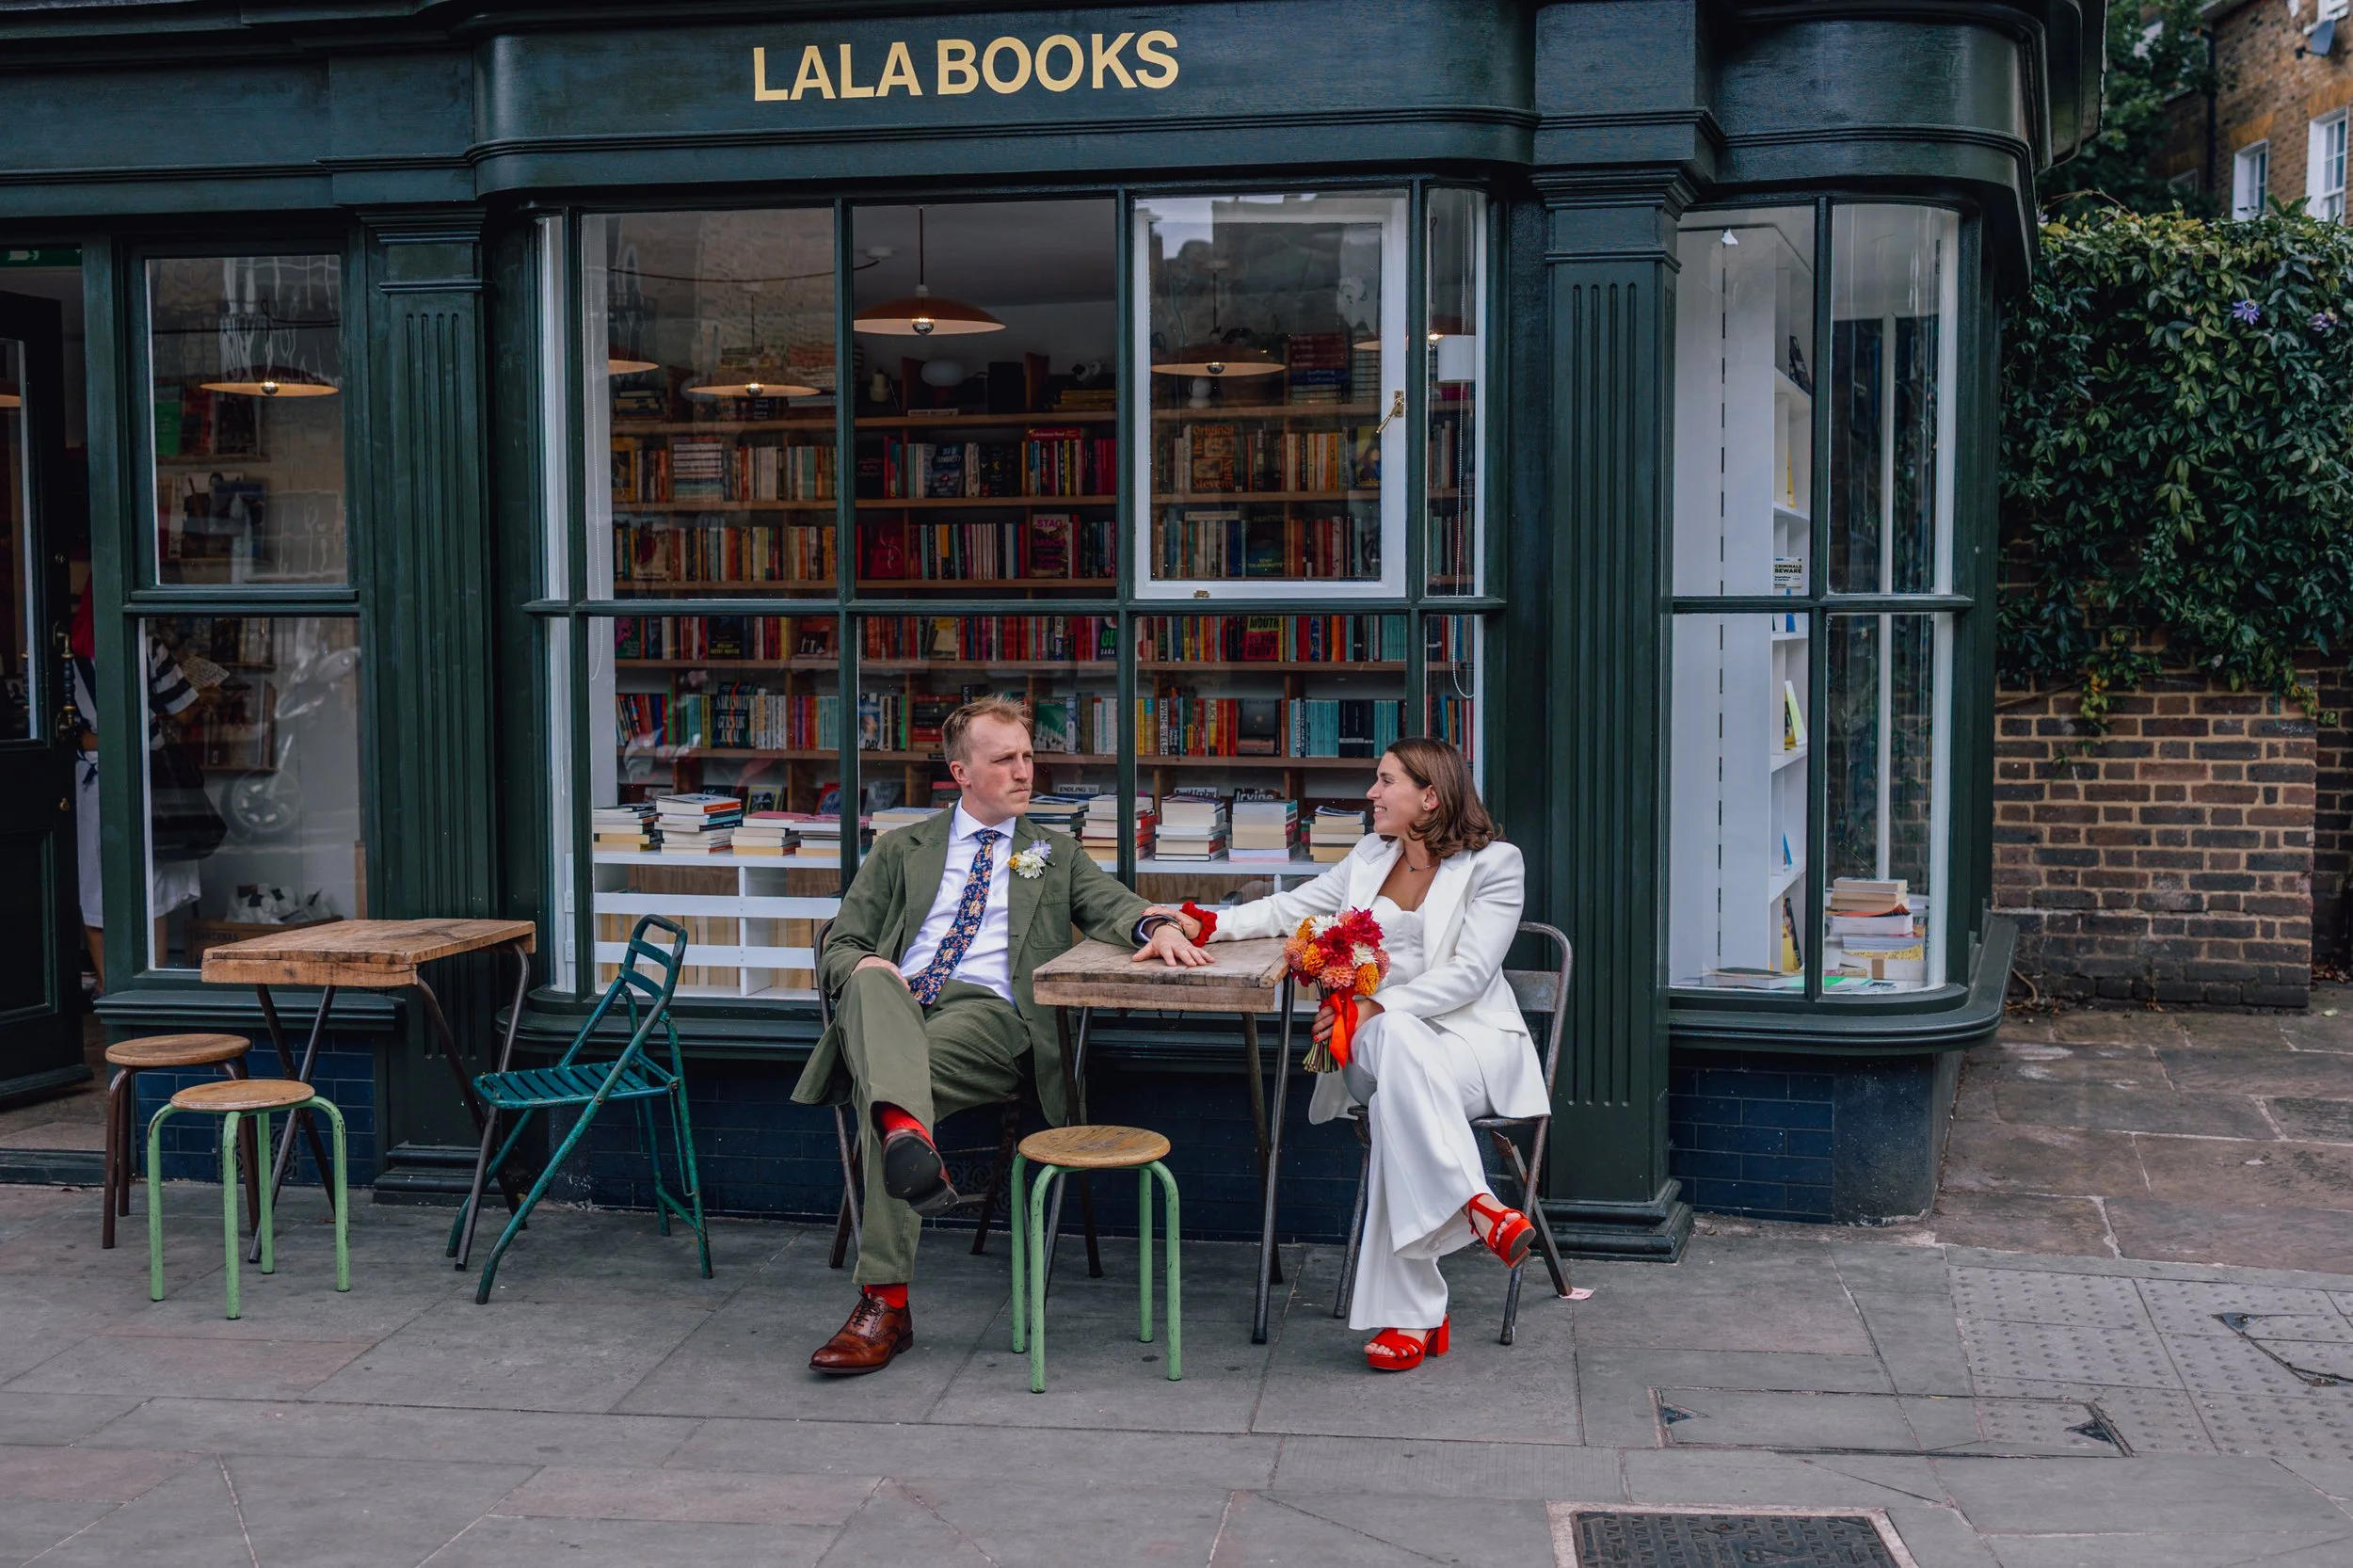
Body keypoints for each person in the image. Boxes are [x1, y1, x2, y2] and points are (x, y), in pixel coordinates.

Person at [792, 696, 1208, 1375]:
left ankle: (884, 1302)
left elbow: (1116, 908)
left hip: (986, 1020)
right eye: (1005, 760)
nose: (1025, 773)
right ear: (960, 772)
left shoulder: (1053, 852)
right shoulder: (901, 849)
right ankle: (907, 1137)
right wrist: (867, 963)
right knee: (870, 985)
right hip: (897, 1007)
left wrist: (1156, 926)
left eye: (1028, 757)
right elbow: (842, 948)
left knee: (887, 1091)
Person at [1171, 737, 1547, 1371]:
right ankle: (1476, 1204)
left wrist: (1376, 1005)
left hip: (1469, 1049)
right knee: (1395, 1047)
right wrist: (1206, 922)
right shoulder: (1371, 855)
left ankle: (1414, 1314)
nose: (1371, 794)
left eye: (1385, 781)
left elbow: (1473, 974)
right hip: (1376, 1046)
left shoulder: (1495, 865)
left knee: (1401, 1089)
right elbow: (1292, 909)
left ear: (1430, 797)